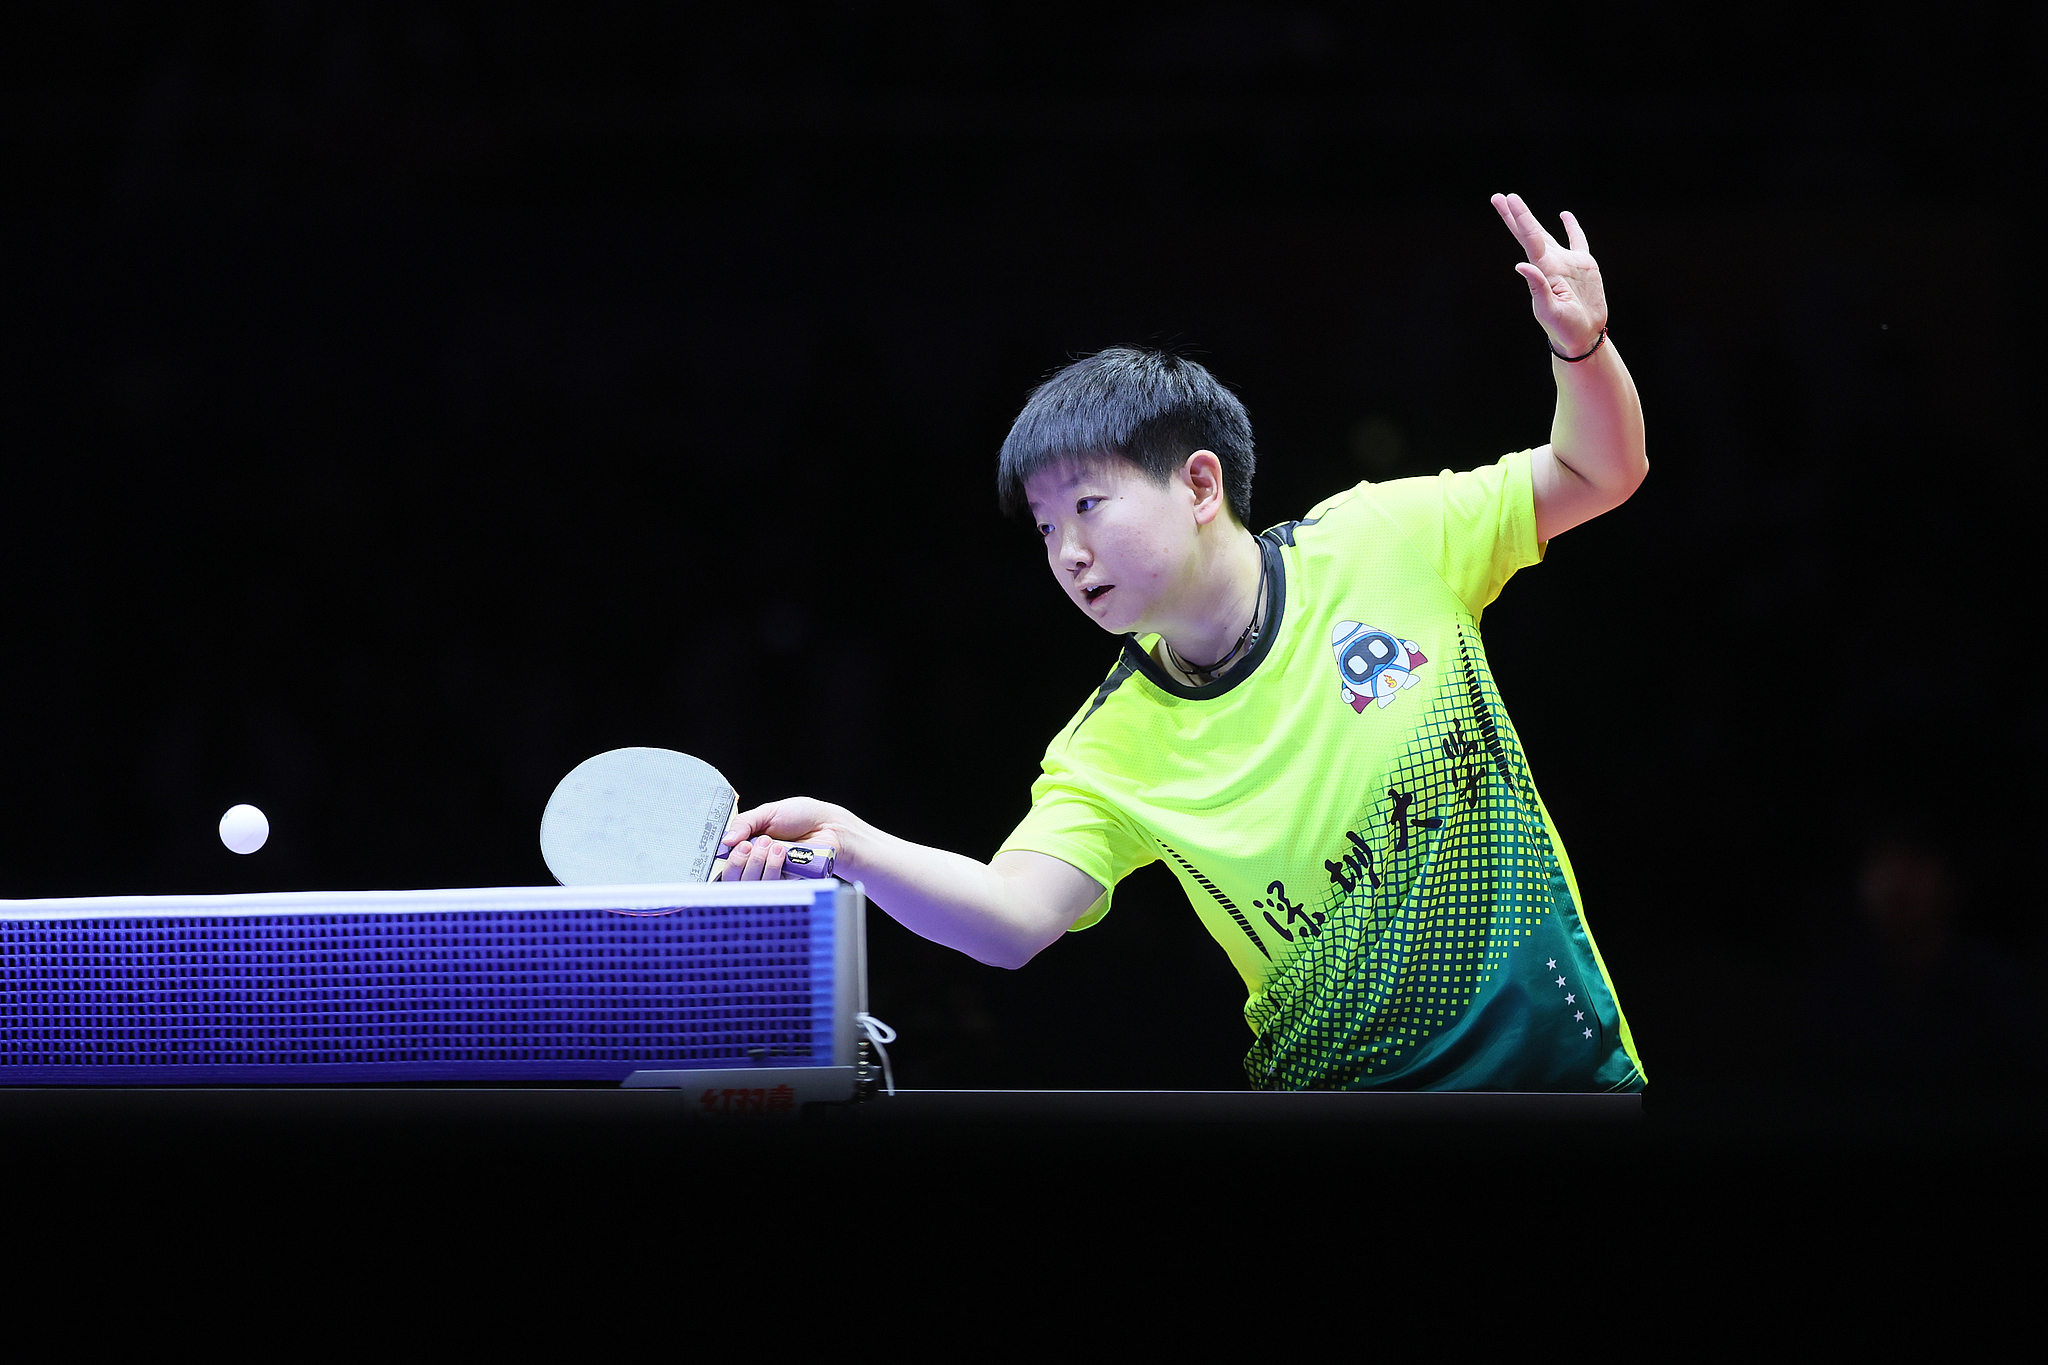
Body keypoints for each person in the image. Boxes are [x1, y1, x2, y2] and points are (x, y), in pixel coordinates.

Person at [720, 193, 1648, 1090]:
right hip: (1342, 1100)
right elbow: (1011, 919)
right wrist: (848, 843)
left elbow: (1596, 469)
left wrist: (1583, 348)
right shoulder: (1111, 745)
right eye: (1045, 527)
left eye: (1087, 504)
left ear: (1200, 485)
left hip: (1557, 1075)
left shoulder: (1385, 539)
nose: (1068, 553)